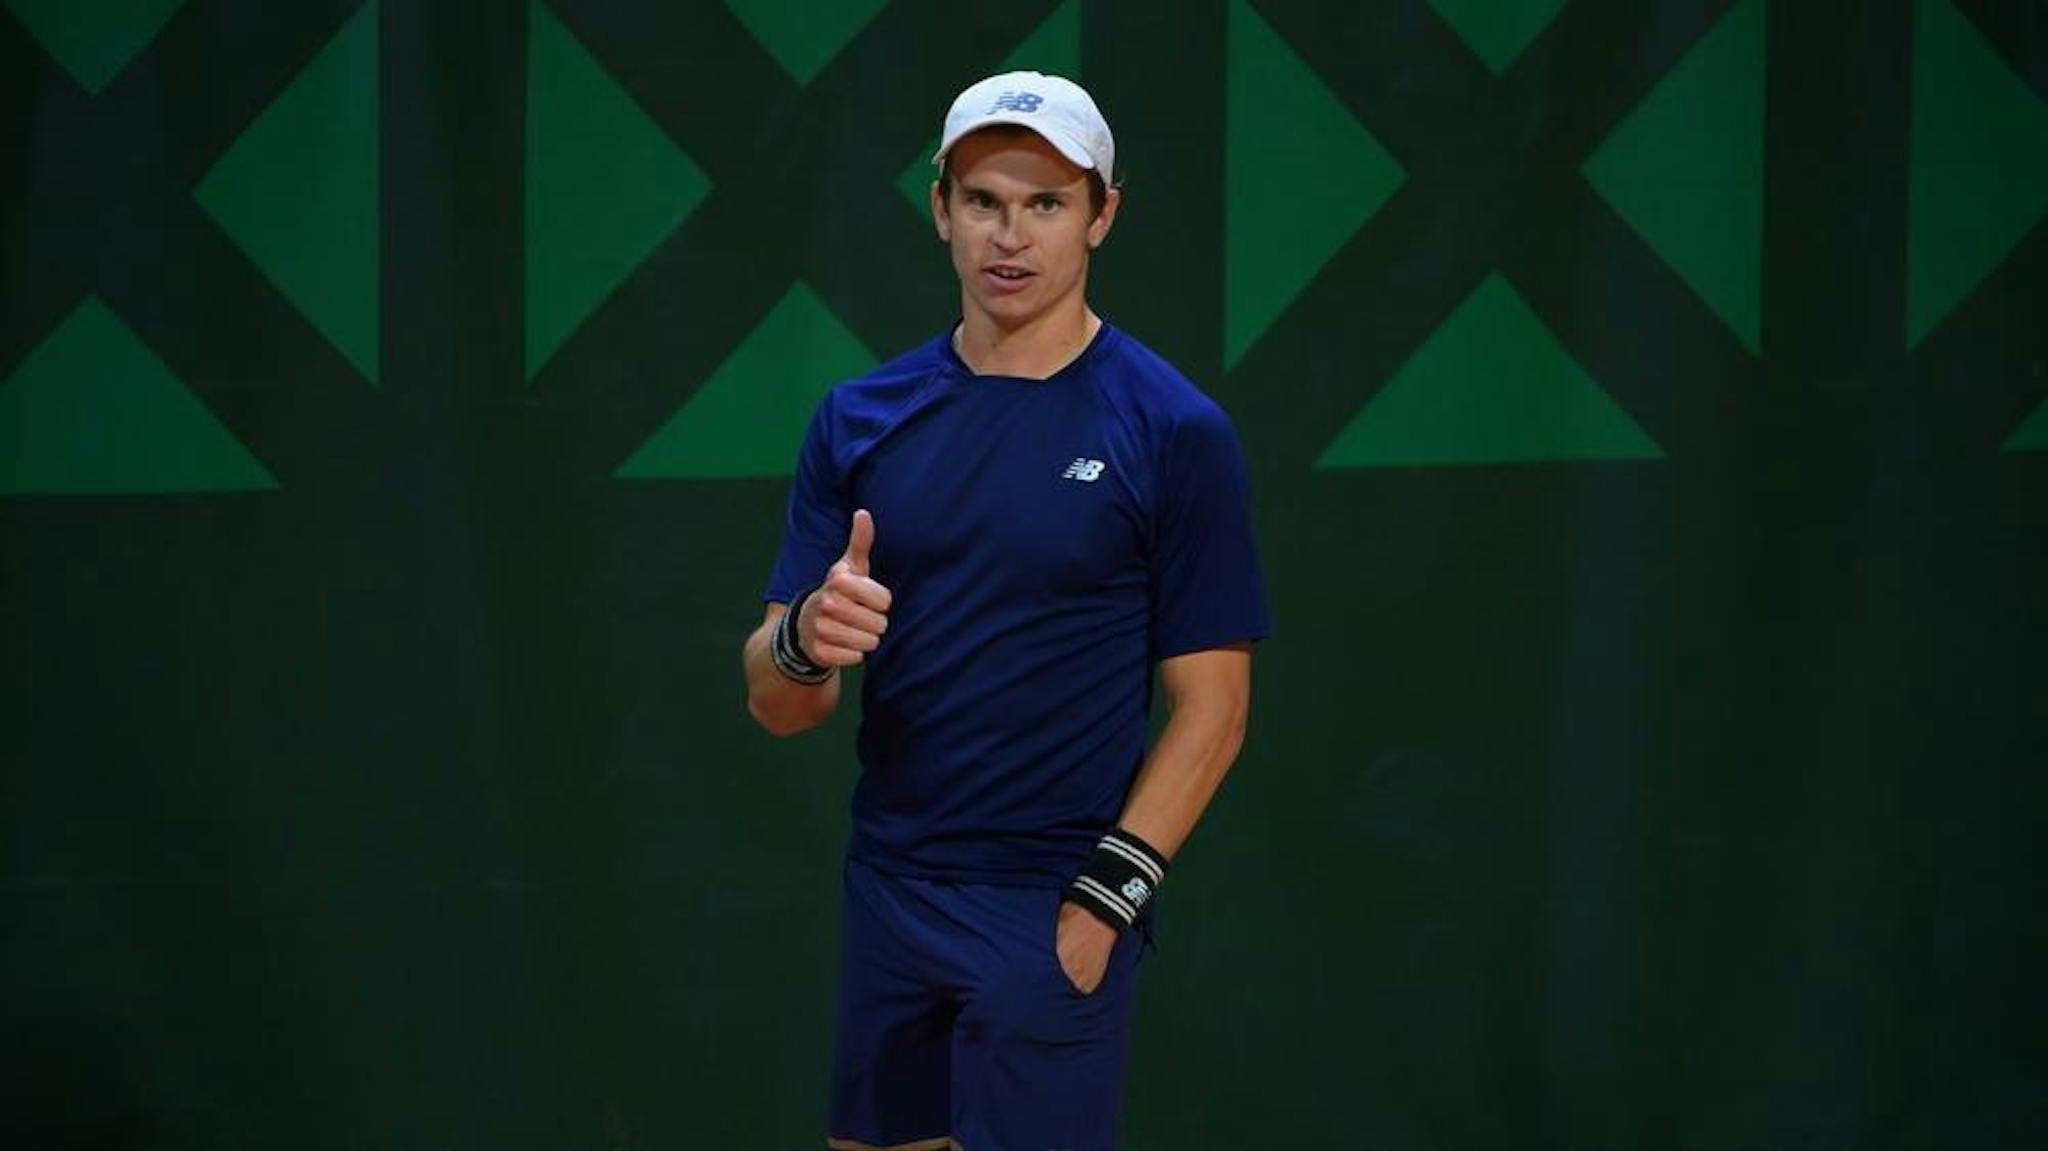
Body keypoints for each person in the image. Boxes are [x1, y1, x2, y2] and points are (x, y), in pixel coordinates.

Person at [741, 70, 1269, 1151]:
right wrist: (800, 642)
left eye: (1046, 203)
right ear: (940, 209)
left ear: (1101, 216)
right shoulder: (857, 418)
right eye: (983, 201)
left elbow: (1212, 706)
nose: (1009, 235)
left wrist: (1099, 908)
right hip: (888, 890)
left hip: (1050, 904)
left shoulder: (1173, 429)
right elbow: (780, 704)